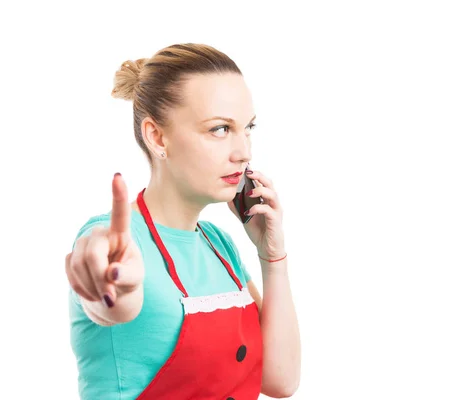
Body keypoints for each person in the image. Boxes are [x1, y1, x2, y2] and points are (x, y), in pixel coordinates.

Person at [65, 43, 301, 400]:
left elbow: (279, 381)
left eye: (247, 128)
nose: (244, 152)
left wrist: (273, 258)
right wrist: (112, 288)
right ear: (157, 137)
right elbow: (109, 301)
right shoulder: (117, 239)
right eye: (220, 129)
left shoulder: (218, 244)